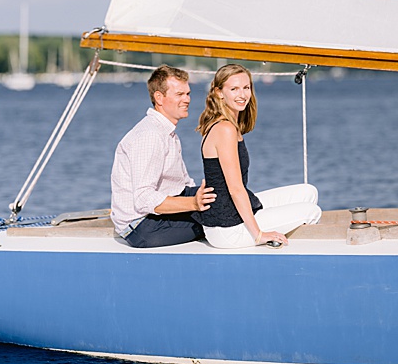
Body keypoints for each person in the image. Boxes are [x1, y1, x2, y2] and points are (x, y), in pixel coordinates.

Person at [195, 64, 321, 248]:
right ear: (219, 92)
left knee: (308, 192)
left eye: (246, 88)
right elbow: (236, 189)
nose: (242, 95)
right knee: (312, 211)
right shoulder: (225, 129)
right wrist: (258, 234)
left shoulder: (228, 124)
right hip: (227, 228)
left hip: (231, 214)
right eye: (234, 89)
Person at [110, 64, 217, 248]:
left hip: (160, 211)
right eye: (179, 94)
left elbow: (184, 183)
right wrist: (194, 203)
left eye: (188, 93)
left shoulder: (166, 131)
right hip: (142, 226)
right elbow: (144, 199)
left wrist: (204, 195)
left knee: (222, 197)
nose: (187, 99)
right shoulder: (150, 135)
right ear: (159, 97)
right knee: (220, 219)